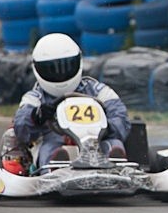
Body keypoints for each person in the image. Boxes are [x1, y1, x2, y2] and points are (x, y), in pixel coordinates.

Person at [10, 33, 131, 170]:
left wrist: (106, 128)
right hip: (54, 140)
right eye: (51, 69)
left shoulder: (98, 90)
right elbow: (21, 127)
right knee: (50, 148)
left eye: (66, 66)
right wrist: (37, 116)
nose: (60, 73)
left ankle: (116, 165)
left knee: (114, 144)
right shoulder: (35, 98)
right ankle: (56, 168)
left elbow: (121, 117)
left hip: (98, 141)